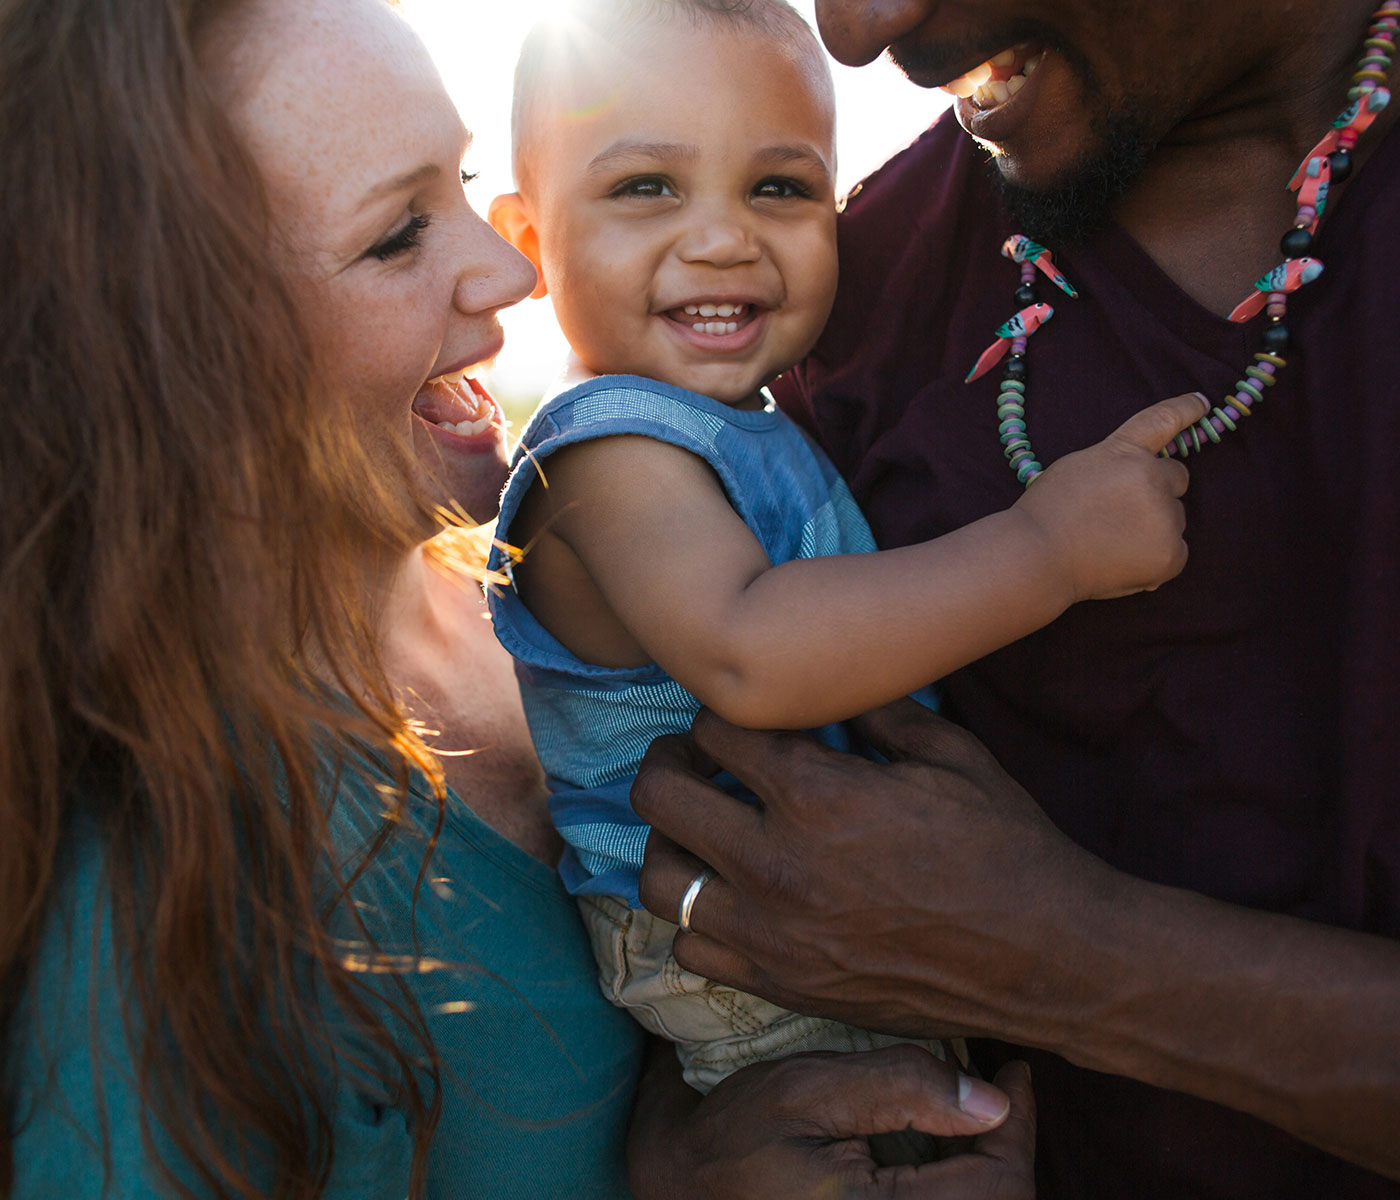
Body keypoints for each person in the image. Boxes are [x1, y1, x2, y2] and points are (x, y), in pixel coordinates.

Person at [0, 0, 1039, 1196]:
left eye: (462, 183)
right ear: (152, 360)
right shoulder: (160, 913)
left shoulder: (541, 585)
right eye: (398, 235)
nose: (508, 269)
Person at [634, 0, 1400, 1197]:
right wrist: (687, 1146)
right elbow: (708, 822)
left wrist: (1067, 960)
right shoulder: (857, 279)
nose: (857, 27)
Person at [482, 0, 1205, 1105]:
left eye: (777, 188)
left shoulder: (738, 429)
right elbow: (749, 653)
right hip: (736, 949)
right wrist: (1045, 551)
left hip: (811, 911)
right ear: (532, 246)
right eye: (644, 189)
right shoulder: (603, 455)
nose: (723, 237)